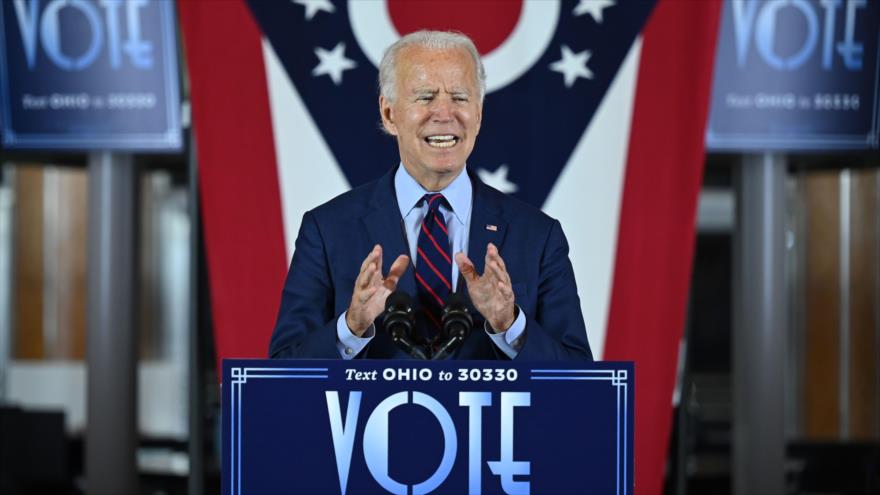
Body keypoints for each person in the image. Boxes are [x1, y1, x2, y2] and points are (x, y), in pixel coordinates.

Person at [269, 30, 592, 361]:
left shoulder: (538, 236)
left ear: (478, 114)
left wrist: (510, 324)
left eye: (460, 97)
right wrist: (351, 327)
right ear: (389, 114)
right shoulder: (328, 231)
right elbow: (282, 373)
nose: (444, 113)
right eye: (425, 97)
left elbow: (580, 383)